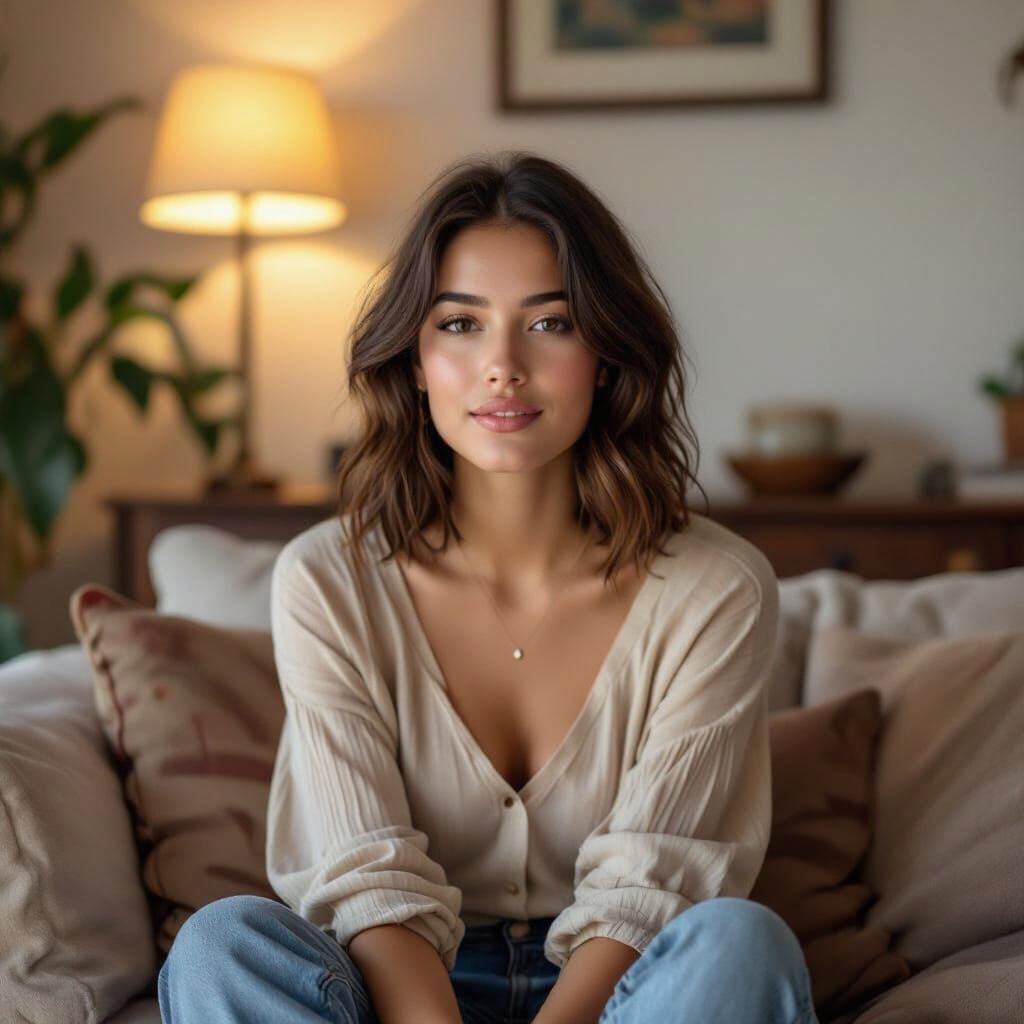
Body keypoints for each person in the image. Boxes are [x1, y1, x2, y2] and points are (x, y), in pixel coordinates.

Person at [157, 150, 819, 1024]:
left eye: (550, 323)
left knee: (742, 941)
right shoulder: (328, 579)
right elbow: (369, 879)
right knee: (221, 942)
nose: (503, 365)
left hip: (625, 986)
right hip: (394, 983)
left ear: (605, 354)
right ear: (415, 358)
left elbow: (647, 889)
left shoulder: (716, 588)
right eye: (462, 324)